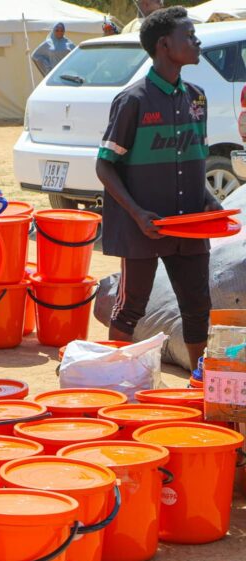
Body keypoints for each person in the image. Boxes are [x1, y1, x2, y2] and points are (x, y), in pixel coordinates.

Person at [96, 7, 216, 372]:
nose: (196, 42)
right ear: (165, 45)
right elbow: (105, 165)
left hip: (190, 226)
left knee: (198, 307)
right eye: (189, 36)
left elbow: (197, 162)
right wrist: (138, 214)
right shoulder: (132, 101)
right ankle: (112, 380)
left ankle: (199, 387)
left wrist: (212, 204)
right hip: (143, 226)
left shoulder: (197, 98)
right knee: (131, 306)